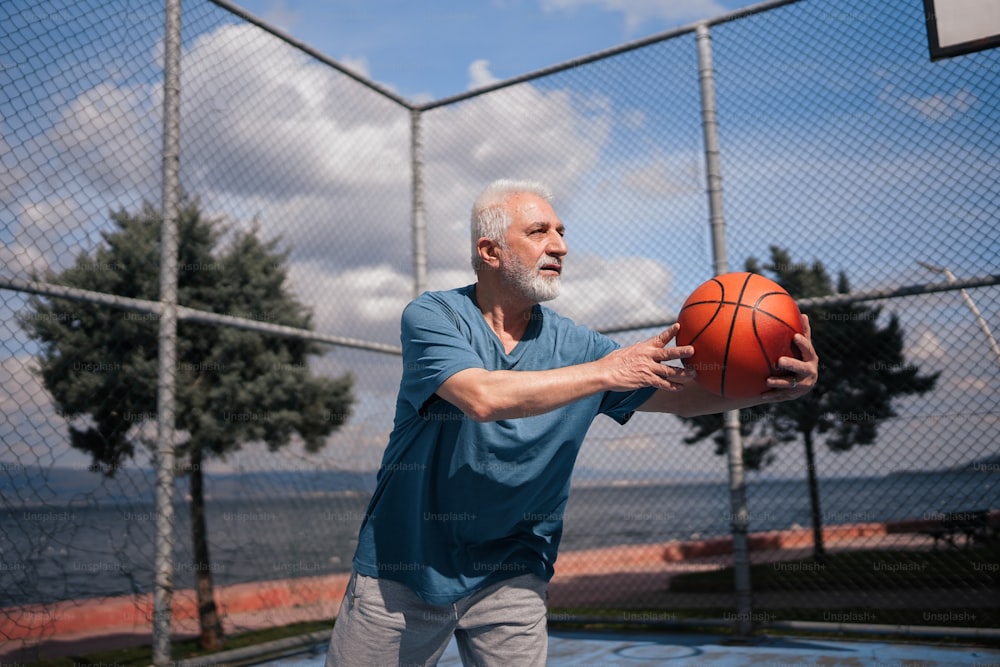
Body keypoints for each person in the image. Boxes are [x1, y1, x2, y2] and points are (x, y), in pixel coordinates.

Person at [326, 179, 818, 666]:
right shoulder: (435, 316)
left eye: (561, 232)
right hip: (405, 566)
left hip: (512, 568)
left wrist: (773, 388)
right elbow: (481, 396)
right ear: (490, 250)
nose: (560, 246)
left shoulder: (579, 347)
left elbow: (685, 399)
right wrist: (606, 372)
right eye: (539, 231)